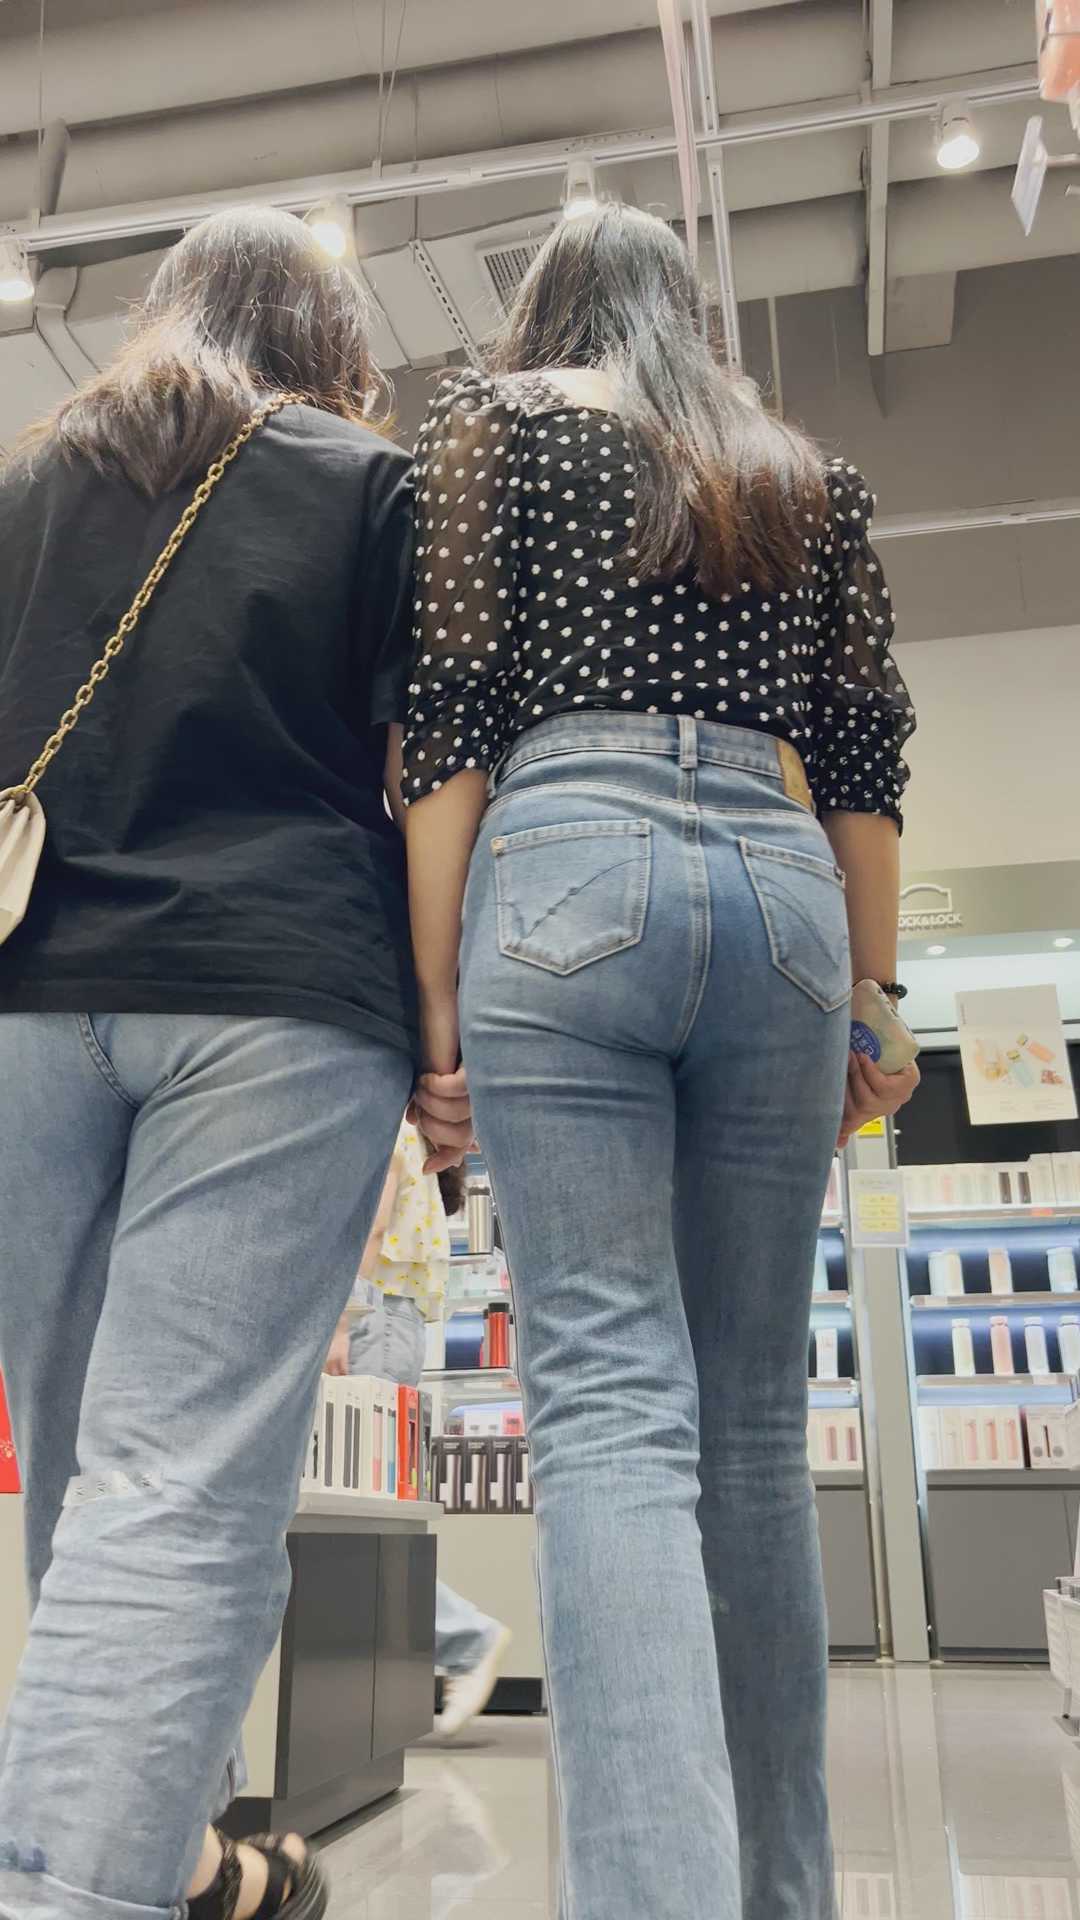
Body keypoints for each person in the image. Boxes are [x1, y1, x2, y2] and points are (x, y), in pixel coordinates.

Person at [402, 204, 919, 1920]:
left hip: (566, 860)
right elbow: (864, 760)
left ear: (542, 310)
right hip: (782, 893)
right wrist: (875, 999)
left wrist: (436, 1015)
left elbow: (447, 729)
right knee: (756, 1428)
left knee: (612, 1413)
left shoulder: (489, 432)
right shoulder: (795, 470)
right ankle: (780, 1896)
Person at [0, 206, 470, 1920]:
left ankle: (183, 1856)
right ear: (329, 336)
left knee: (79, 1470)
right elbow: (428, 769)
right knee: (180, 1482)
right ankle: (71, 1888)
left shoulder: (25, 483)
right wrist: (444, 1030)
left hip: (28, 995)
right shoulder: (370, 483)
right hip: (278, 992)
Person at [325, 1119, 512, 1737]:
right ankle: (454, 1640)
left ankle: (464, 1636)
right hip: (391, 1323)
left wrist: (340, 1321)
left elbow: (371, 1226)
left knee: (349, 1514)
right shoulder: (421, 1149)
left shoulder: (388, 1131)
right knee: (362, 1514)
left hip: (370, 1320)